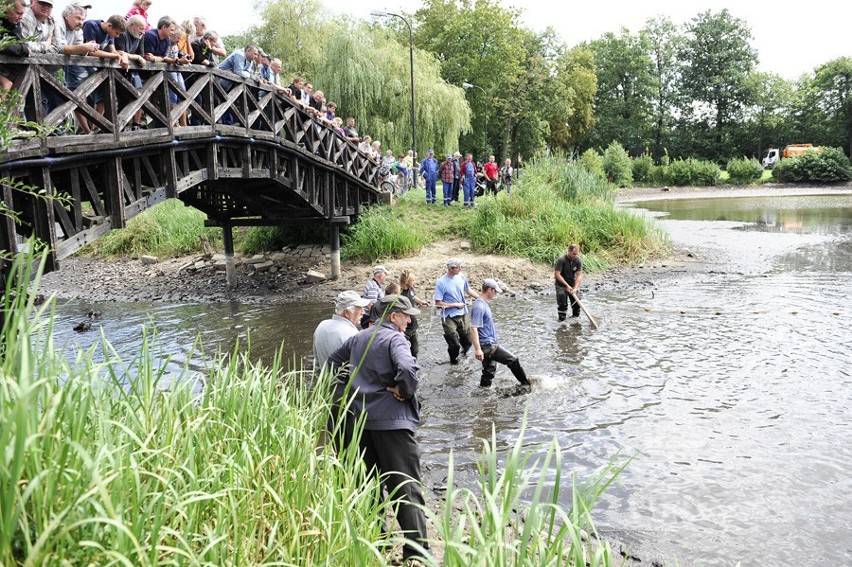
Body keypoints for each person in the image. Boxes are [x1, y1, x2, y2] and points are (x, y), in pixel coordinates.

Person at [326, 294, 429, 564]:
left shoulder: (360, 336)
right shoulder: (395, 338)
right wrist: (404, 391)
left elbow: (332, 364)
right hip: (392, 424)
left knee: (369, 486)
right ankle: (416, 555)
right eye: (406, 315)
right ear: (393, 316)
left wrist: (352, 389)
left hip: (361, 423)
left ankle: (376, 545)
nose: (409, 320)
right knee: (406, 488)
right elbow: (406, 367)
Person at [470, 279, 531, 388]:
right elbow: (473, 328)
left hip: (489, 343)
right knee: (513, 360)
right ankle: (526, 385)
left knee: (489, 371)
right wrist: (477, 349)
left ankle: (483, 392)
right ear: (489, 290)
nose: (496, 294)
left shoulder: (483, 304)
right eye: (495, 291)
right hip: (488, 346)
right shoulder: (479, 307)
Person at [433, 258, 479, 364]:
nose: (460, 269)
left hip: (463, 314)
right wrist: (455, 305)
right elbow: (438, 303)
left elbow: (468, 290)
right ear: (450, 268)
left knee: (467, 341)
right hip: (448, 317)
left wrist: (480, 298)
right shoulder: (441, 282)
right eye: (458, 267)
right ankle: (453, 362)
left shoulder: (461, 276)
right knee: (454, 345)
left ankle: (463, 354)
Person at [312, 290, 369, 370]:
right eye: (359, 308)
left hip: (323, 381)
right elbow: (359, 370)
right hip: (344, 382)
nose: (363, 312)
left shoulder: (321, 326)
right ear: (347, 312)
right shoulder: (353, 335)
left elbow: (317, 363)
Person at [399, 269, 430, 358]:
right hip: (404, 328)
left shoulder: (410, 288)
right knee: (404, 351)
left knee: (415, 350)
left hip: (413, 325)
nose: (415, 282)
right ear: (406, 281)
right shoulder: (399, 294)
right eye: (413, 280)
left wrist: (420, 301)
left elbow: (413, 296)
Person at [554, 243, 584, 321]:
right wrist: (566, 286)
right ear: (569, 251)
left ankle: (575, 320)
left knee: (577, 303)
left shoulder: (578, 260)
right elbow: (557, 274)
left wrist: (576, 287)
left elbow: (579, 275)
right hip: (561, 284)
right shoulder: (561, 260)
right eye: (573, 254)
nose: (575, 256)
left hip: (572, 283)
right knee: (562, 304)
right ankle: (562, 320)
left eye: (576, 254)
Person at [361, 264, 388, 329]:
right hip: (369, 319)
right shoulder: (373, 286)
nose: (386, 277)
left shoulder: (373, 284)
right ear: (381, 275)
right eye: (385, 274)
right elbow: (371, 305)